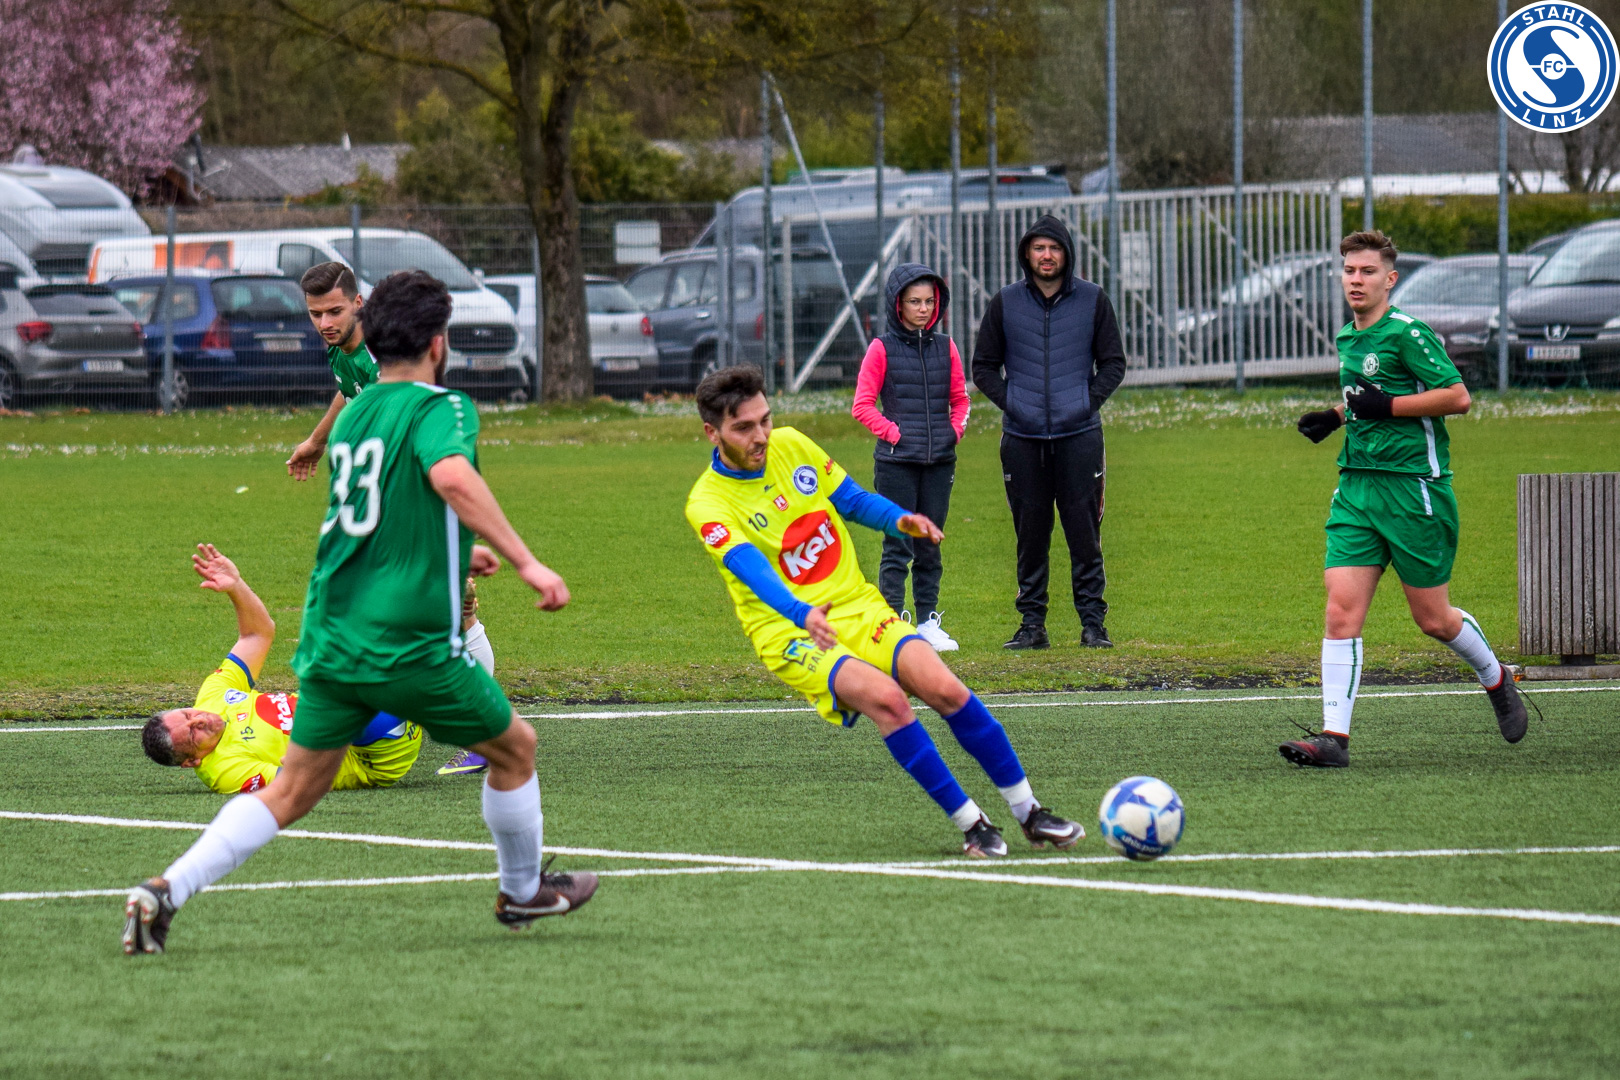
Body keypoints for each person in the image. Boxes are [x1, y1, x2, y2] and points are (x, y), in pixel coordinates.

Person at [122, 271, 595, 956]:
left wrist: (454, 554)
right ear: (438, 343)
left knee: (291, 791)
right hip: (400, 638)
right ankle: (521, 890)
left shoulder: (356, 415)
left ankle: (167, 890)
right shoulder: (443, 406)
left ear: (374, 330)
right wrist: (526, 561)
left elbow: (378, 522)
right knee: (515, 748)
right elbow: (451, 478)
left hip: (331, 633)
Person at [685, 365, 1084, 857]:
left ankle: (1030, 813)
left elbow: (851, 500)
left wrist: (901, 520)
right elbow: (751, 569)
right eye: (744, 428)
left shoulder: (791, 444)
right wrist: (801, 612)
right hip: (789, 630)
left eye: (765, 420)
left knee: (944, 687)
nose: (761, 435)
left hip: (857, 605)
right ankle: (973, 824)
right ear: (713, 432)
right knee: (888, 700)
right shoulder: (707, 503)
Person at [1281, 229, 1528, 768]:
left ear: (1390, 279)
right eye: (1350, 270)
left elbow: (1457, 397)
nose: (1356, 280)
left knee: (1434, 619)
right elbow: (1366, 396)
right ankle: (1334, 740)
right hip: (1357, 487)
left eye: (1368, 271)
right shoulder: (1349, 336)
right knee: (1340, 611)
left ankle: (1495, 677)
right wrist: (1336, 416)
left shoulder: (1408, 333)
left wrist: (1386, 409)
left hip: (1414, 490)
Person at [286, 260, 492, 777]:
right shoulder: (344, 350)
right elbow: (349, 389)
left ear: (359, 303)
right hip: (384, 502)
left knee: (457, 609)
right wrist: (317, 440)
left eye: (335, 311)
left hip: (416, 490)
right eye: (315, 313)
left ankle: (485, 739)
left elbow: (416, 414)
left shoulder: (385, 352)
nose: (325, 322)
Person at [142, 544, 423, 794]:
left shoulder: (212, 695)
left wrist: (235, 586)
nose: (199, 720)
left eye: (188, 714)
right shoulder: (226, 771)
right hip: (369, 754)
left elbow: (257, 635)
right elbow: (295, 784)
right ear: (192, 761)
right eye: (193, 734)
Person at [972, 214, 1127, 651]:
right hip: (1022, 441)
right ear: (1027, 253)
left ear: (1066, 254)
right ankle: (1031, 626)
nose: (1046, 255)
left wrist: (1084, 403)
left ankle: (1093, 625)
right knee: (1030, 536)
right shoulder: (1005, 302)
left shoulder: (1093, 300)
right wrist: (1014, 403)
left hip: (1079, 438)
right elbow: (983, 367)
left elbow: (1113, 363)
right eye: (1039, 248)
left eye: (1054, 248)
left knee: (1084, 535)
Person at [851, 263, 970, 652]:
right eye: (915, 301)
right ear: (897, 304)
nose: (923, 309)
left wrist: (953, 433)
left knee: (929, 544)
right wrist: (895, 435)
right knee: (898, 545)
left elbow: (961, 400)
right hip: (896, 464)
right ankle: (892, 624)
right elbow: (862, 405)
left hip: (940, 463)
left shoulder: (946, 347)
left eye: (929, 302)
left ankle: (927, 623)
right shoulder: (880, 348)